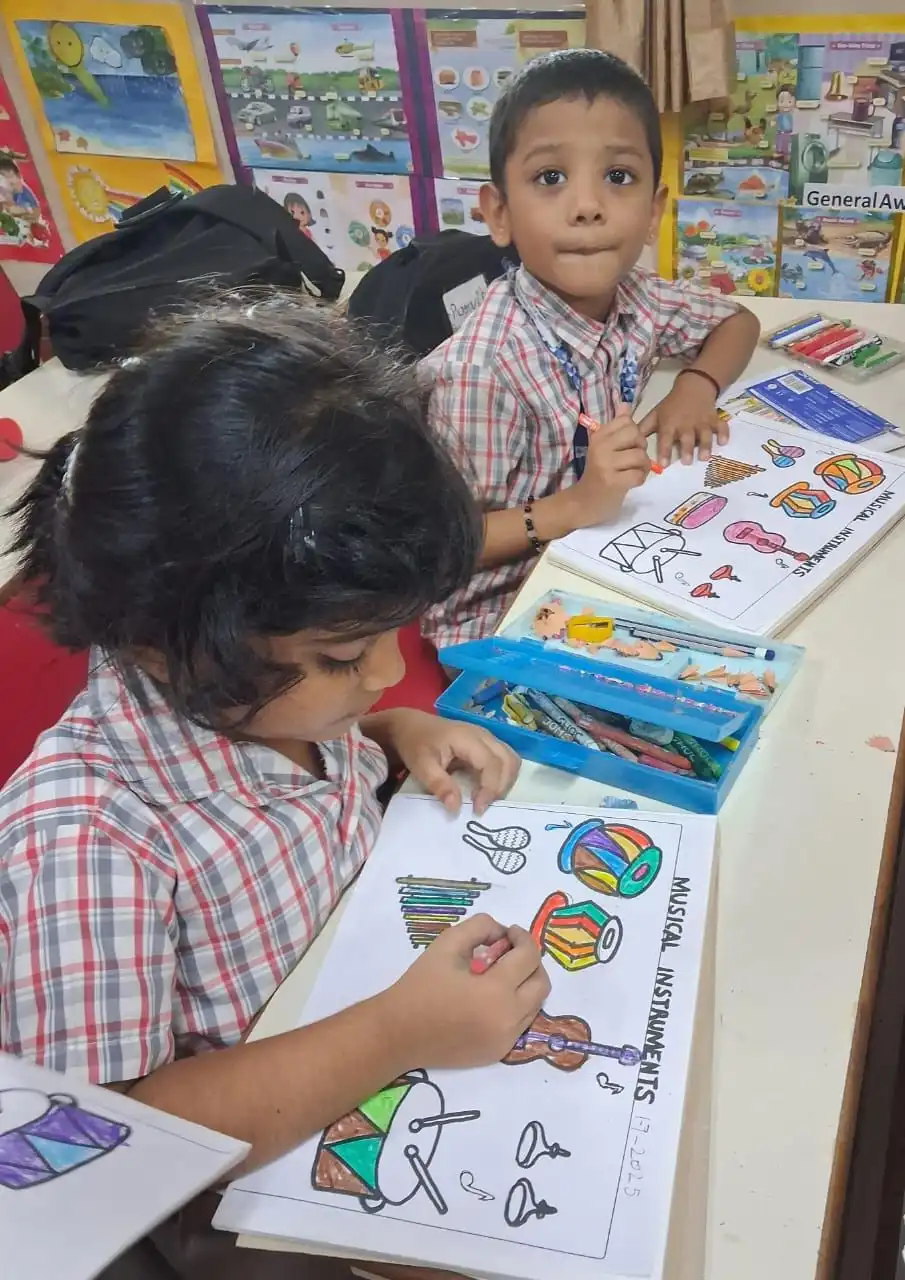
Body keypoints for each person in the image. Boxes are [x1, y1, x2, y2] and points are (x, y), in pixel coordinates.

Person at [0, 294, 548, 1277]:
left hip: (358, 1013)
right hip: (245, 1201)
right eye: (346, 656)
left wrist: (390, 730)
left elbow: (303, 765)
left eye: (393, 633)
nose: (386, 669)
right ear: (161, 650)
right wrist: (398, 1029)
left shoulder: (272, 701)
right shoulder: (89, 841)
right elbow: (114, 1142)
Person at [423, 50, 760, 651]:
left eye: (618, 177)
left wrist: (696, 386)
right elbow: (443, 545)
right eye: (550, 178)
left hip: (602, 561)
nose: (587, 206)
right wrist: (578, 504)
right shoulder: (482, 371)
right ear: (498, 213)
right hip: (499, 620)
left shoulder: (638, 296)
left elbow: (737, 321)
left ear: (654, 211)